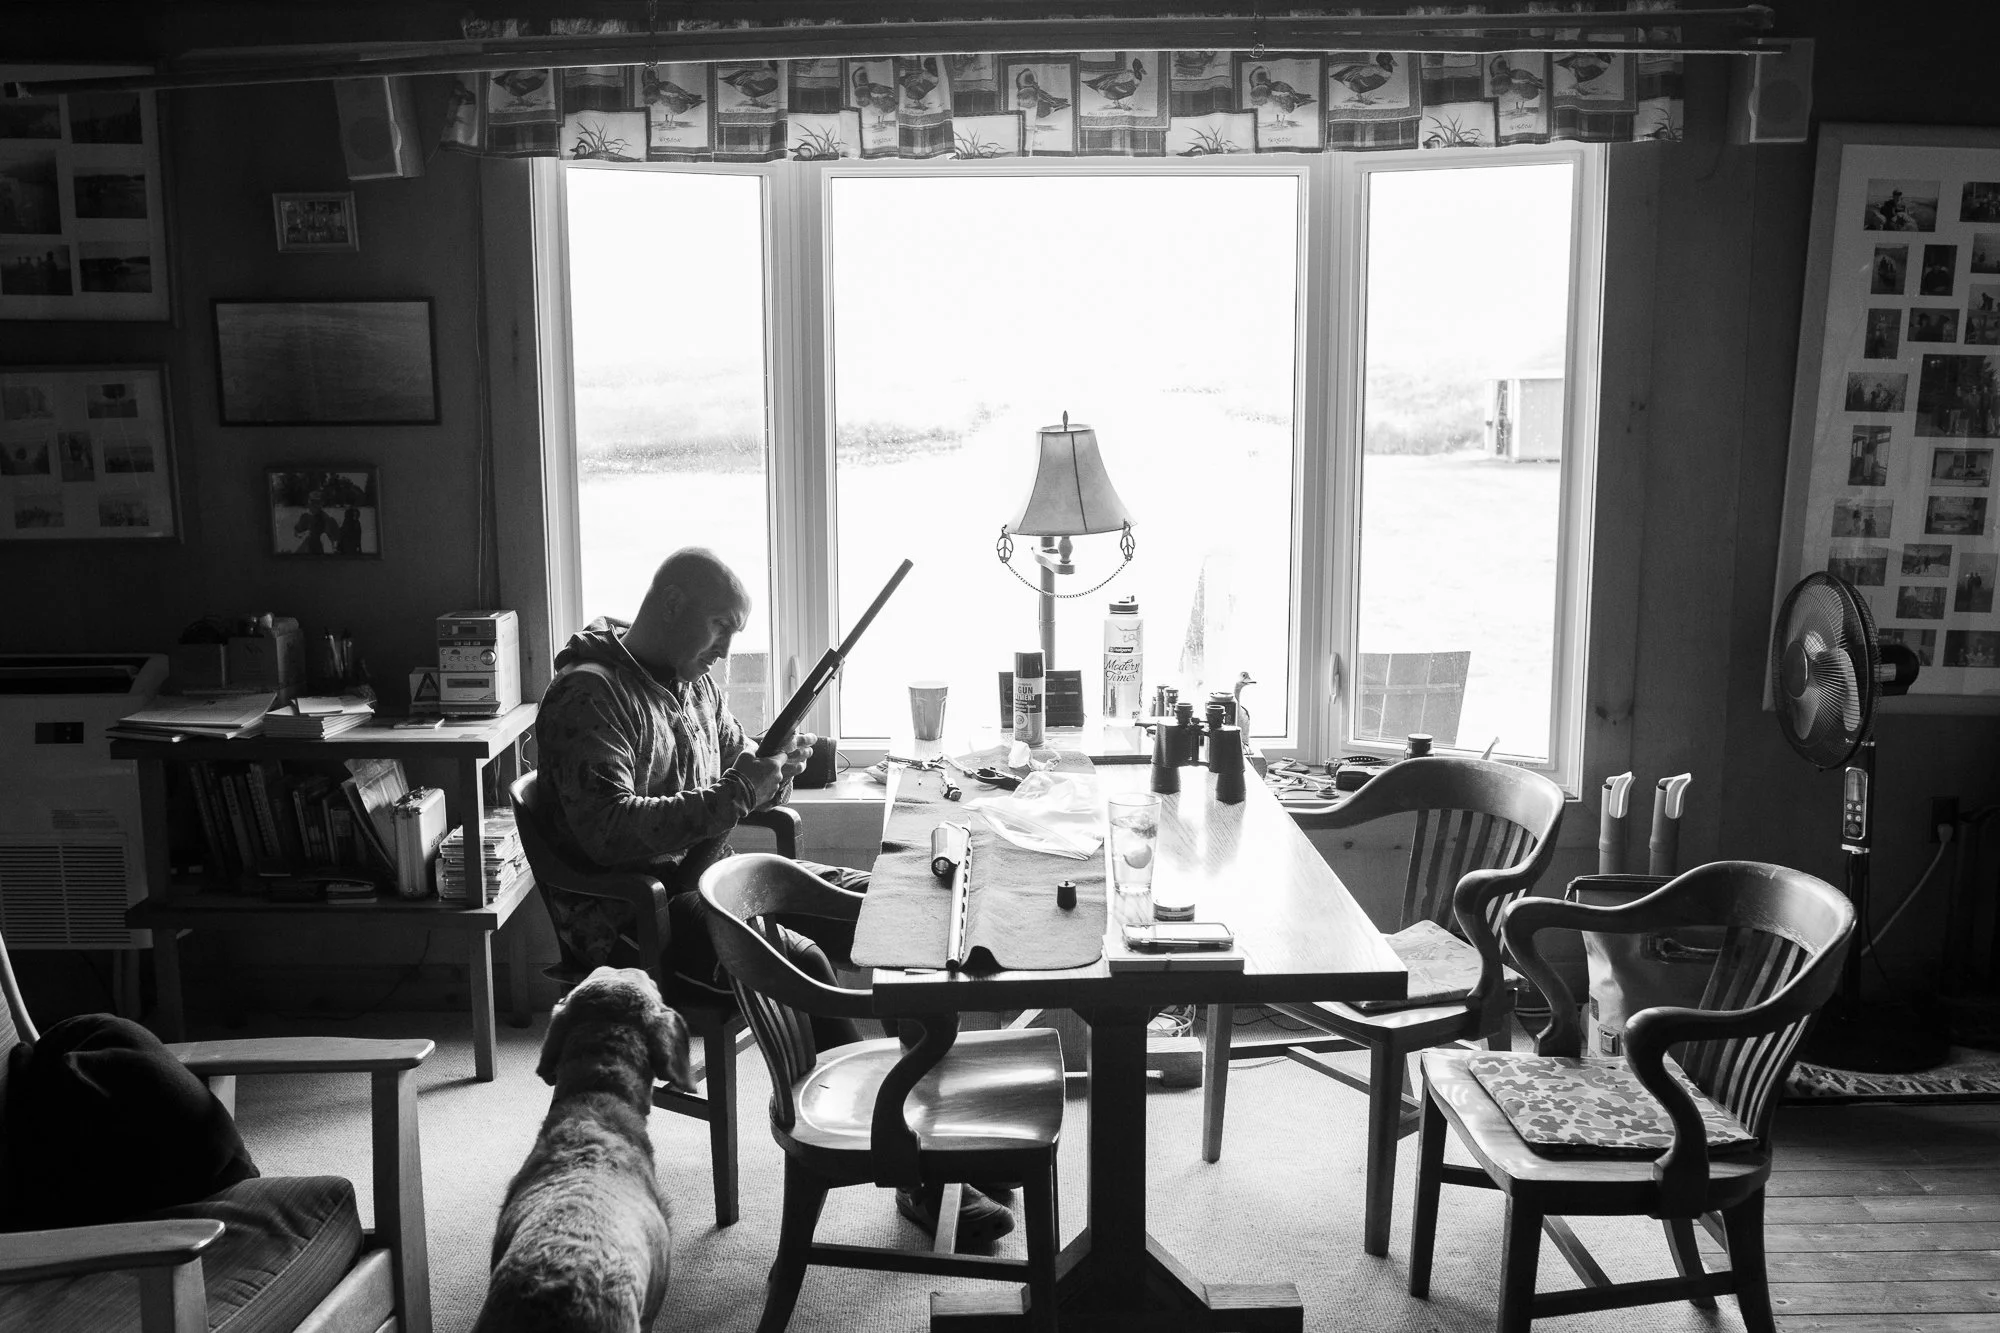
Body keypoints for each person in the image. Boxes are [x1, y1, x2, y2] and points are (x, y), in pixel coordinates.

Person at [535, 546, 1015, 1245]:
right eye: (720, 627)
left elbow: (740, 760)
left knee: (891, 904)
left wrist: (778, 766)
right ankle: (911, 1169)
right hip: (636, 921)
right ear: (670, 604)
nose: (729, 649)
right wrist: (736, 793)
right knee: (807, 964)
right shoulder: (588, 695)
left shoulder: (689, 679)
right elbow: (609, 831)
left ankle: (936, 1133)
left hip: (706, 880)